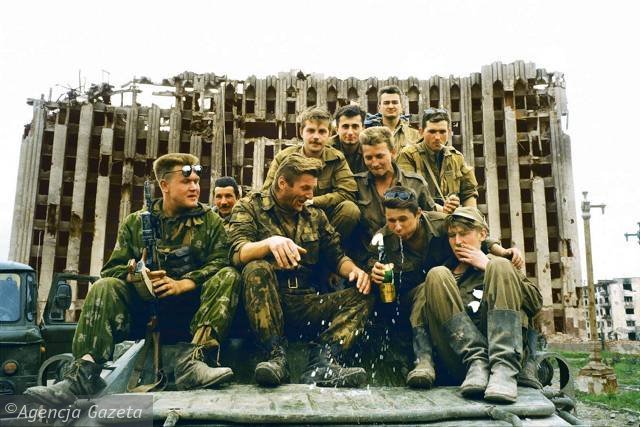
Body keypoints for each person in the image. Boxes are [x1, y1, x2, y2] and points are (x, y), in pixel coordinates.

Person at [25, 153, 241, 405]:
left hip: (192, 315)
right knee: (105, 287)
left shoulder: (209, 221)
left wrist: (183, 284)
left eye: (196, 181)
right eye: (186, 182)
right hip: (146, 313)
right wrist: (137, 275)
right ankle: (83, 375)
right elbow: (111, 270)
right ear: (164, 185)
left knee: (229, 275)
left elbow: (221, 261)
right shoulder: (137, 223)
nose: (195, 187)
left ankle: (195, 360)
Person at [371, 199, 542, 402]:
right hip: (461, 362)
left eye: (464, 233)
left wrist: (487, 264)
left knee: (500, 266)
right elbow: (415, 313)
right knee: (436, 275)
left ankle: (503, 367)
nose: (458, 242)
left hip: (507, 363)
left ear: (483, 235)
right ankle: (477, 360)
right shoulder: (444, 276)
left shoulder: (501, 266)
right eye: (452, 235)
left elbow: (534, 304)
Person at [228, 153, 373, 388]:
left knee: (364, 292)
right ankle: (275, 358)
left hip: (304, 303)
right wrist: (269, 243)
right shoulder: (249, 207)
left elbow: (336, 257)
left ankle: (323, 362)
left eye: (312, 189)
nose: (310, 195)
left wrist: (356, 272)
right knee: (256, 268)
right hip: (265, 305)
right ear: (282, 183)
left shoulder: (315, 215)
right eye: (305, 188)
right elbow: (237, 252)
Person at [262, 107, 360, 239]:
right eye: (311, 131)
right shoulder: (284, 158)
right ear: (301, 132)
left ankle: (329, 247)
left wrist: (313, 201)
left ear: (329, 134)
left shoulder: (337, 159)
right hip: (290, 216)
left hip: (324, 220)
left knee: (350, 210)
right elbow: (267, 192)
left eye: (322, 131)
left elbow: (347, 193)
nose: (316, 137)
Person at [351, 126, 435, 265]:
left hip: (410, 261)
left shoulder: (415, 184)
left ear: (393, 152)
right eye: (369, 158)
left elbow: (430, 224)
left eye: (380, 156)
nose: (375, 163)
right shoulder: (356, 185)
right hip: (371, 261)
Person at [397, 108, 478, 213]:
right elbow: (409, 195)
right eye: (432, 131)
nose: (437, 137)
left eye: (442, 132)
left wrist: (470, 215)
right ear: (421, 132)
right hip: (421, 216)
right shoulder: (408, 155)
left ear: (449, 132)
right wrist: (442, 210)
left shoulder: (456, 157)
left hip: (451, 217)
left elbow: (469, 193)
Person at [376, 85, 420, 152]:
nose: (390, 106)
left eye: (395, 102)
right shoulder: (370, 134)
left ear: (401, 106)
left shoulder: (415, 135)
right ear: (379, 107)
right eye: (386, 103)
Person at [329, 104, 367, 174]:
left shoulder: (370, 147)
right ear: (337, 129)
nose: (350, 132)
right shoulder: (326, 148)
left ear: (363, 128)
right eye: (345, 127)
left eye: (355, 126)